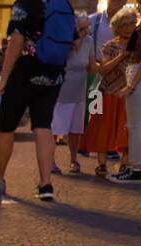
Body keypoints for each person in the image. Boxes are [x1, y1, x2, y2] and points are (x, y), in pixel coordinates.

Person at [0, 0, 69, 200]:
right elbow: (74, 41)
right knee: (43, 126)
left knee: (6, 127)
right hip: (53, 76)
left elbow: (16, 41)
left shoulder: (26, 3)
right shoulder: (63, 4)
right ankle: (46, 184)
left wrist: (3, 79)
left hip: (25, 73)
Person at [85, 6, 136, 176]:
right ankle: (101, 164)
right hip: (107, 92)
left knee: (128, 130)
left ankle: (124, 164)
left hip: (129, 93)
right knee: (102, 129)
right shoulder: (110, 46)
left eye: (132, 24)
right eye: (125, 25)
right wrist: (121, 56)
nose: (129, 28)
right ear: (118, 27)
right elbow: (103, 70)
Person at [110, 0, 141, 182]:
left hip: (139, 76)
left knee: (137, 125)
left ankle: (137, 168)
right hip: (136, 74)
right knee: (133, 125)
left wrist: (131, 84)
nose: (139, 5)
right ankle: (133, 166)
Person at [54, 14, 97, 172]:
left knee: (75, 127)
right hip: (63, 86)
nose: (84, 32)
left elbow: (92, 65)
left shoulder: (89, 41)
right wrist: (71, 44)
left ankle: (73, 159)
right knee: (56, 125)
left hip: (79, 87)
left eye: (86, 28)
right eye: (81, 29)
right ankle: (50, 160)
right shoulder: (64, 41)